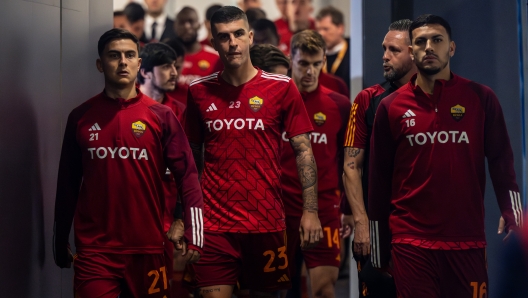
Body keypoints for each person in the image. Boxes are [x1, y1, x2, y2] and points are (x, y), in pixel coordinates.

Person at [368, 14, 522, 298]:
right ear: (412, 51)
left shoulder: (481, 98)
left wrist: (513, 215)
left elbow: (502, 161)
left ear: (451, 48)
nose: (429, 47)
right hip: (410, 242)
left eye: (437, 40)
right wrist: (379, 247)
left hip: (467, 242)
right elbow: (378, 181)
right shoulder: (390, 107)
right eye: (421, 42)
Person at [53, 28, 204, 297]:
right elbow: (67, 182)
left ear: (138, 63)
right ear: (100, 65)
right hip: (95, 251)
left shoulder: (162, 116)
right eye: (114, 56)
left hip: (147, 248)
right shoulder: (81, 117)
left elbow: (188, 175)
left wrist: (191, 227)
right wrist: (60, 236)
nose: (122, 61)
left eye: (129, 55)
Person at [184, 6, 323, 298]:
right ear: (213, 43)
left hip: (266, 221)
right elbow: (191, 160)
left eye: (238, 34)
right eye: (223, 37)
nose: (232, 43)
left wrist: (310, 211)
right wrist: (183, 216)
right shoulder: (197, 91)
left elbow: (304, 152)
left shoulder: (282, 87)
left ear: (249, 37)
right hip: (213, 224)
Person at [341, 19, 415, 297]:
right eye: (384, 48)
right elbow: (351, 167)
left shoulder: (437, 101)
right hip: (377, 228)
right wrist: (361, 224)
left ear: (414, 52)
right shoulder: (367, 99)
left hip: (421, 229)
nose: (384, 56)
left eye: (394, 50)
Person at [282, 30, 351, 298]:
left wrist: (348, 207)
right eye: (303, 64)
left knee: (324, 290)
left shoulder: (339, 105)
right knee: (280, 290)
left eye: (316, 64)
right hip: (281, 208)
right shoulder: (275, 101)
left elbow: (349, 161)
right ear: (291, 59)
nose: (310, 71)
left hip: (324, 209)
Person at [174, 6, 223, 86]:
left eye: (191, 22)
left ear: (199, 25)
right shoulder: (167, 59)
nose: (187, 27)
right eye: (182, 22)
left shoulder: (216, 58)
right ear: (175, 26)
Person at [315, 6, 350, 90]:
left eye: (325, 29)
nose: (321, 34)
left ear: (340, 28)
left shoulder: (354, 52)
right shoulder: (314, 53)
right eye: (318, 29)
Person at [164, 38, 190, 107]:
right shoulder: (142, 93)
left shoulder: (190, 96)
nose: (174, 73)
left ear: (183, 63)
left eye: (177, 67)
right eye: (167, 67)